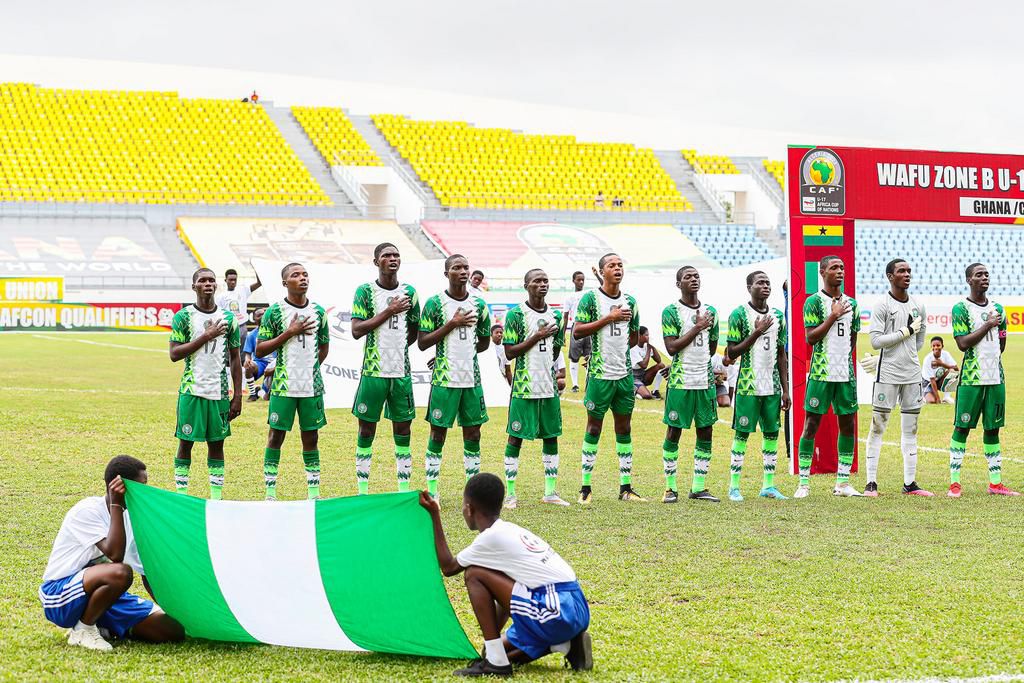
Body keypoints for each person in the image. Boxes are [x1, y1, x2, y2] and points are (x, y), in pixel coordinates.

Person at [419, 474, 592, 676]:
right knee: (494, 650)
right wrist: (492, 643)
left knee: (474, 573)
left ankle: (497, 663)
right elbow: (508, 589)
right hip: (575, 606)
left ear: (469, 508)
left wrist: (434, 515)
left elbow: (449, 567)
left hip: (555, 609)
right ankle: (567, 645)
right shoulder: (509, 529)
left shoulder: (490, 538)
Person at [39, 456, 185, 651]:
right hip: (60, 595)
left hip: (106, 598)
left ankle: (103, 625)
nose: (145, 492)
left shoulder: (132, 519)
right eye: (140, 487)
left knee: (172, 630)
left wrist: (175, 612)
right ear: (117, 486)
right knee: (121, 572)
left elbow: (147, 573)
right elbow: (115, 554)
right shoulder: (87, 511)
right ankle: (83, 630)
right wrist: (116, 504)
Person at [418, 254, 491, 504]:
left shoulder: (479, 304)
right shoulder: (435, 303)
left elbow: (484, 342)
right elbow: (422, 342)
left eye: (466, 267)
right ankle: (433, 492)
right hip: (444, 380)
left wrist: (463, 355)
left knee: (473, 435)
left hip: (471, 380)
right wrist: (453, 324)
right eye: (456, 268)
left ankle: (473, 494)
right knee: (437, 435)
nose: (463, 271)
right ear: (446, 273)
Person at [350, 243, 421, 494]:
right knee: (366, 429)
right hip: (373, 372)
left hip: (401, 373)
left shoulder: (410, 292)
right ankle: (363, 491)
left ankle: (403, 490)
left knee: (403, 429)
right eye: (386, 255)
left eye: (396, 255)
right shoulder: (365, 291)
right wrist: (389, 310)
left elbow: (414, 332)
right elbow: (356, 330)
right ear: (376, 262)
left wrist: (397, 349)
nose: (392, 259)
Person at [256, 262, 330, 500]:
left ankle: (314, 494)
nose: (302, 278)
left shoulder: (319, 312)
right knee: (276, 436)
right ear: (284, 282)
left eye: (305, 274)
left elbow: (324, 347)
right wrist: (289, 332)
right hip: (283, 387)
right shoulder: (275, 312)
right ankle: (270, 494)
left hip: (311, 387)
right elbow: (260, 349)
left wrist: (308, 370)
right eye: (296, 275)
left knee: (311, 437)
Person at [573, 253, 643, 503]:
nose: (617, 268)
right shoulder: (590, 299)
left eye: (620, 265)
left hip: (624, 375)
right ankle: (585, 488)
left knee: (624, 428)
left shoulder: (630, 301)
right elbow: (577, 331)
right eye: (612, 265)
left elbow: (634, 337)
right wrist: (608, 318)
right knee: (594, 427)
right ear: (602, 271)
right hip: (600, 375)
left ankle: (626, 488)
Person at [169, 268, 242, 499]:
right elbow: (174, 354)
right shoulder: (183, 317)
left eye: (211, 280)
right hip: (192, 390)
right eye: (202, 281)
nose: (208, 283)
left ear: (216, 286)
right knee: (185, 443)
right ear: (194, 287)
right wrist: (206, 335)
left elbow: (235, 358)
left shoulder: (229, 319)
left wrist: (238, 396)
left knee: (217, 445)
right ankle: (182, 495)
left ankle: (216, 497)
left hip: (219, 393)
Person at [501, 268, 570, 508]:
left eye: (545, 281)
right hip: (523, 387)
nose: (542, 285)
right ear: (526, 286)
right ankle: (510, 494)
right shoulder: (516, 315)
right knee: (515, 438)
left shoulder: (556, 315)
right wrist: (537, 336)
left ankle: (550, 492)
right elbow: (510, 352)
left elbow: (556, 349)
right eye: (537, 281)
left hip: (548, 387)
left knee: (551, 436)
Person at [948, 263, 1017, 497]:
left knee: (993, 429)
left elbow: (1002, 343)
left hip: (996, 377)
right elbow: (962, 343)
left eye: (987, 274)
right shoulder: (961, 309)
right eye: (979, 275)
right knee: (962, 427)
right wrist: (987, 325)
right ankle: (955, 483)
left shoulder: (999, 309)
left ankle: (995, 484)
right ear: (969, 280)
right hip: (971, 379)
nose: (984, 277)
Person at [864, 259, 931, 497]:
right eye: (901, 271)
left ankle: (910, 484)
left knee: (911, 428)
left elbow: (919, 341)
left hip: (912, 373)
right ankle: (871, 482)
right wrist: (906, 332)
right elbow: (875, 341)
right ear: (890, 276)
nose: (907, 274)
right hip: (888, 373)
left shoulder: (918, 305)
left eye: (909, 271)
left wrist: (907, 347)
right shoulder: (882, 304)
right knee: (878, 425)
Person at [795, 256, 861, 498]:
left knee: (848, 425)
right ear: (822, 272)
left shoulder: (852, 303)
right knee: (811, 425)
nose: (840, 271)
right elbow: (811, 338)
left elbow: (852, 340)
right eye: (834, 268)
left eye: (842, 267)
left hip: (845, 375)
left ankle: (842, 483)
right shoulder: (813, 302)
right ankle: (803, 484)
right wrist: (833, 316)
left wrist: (843, 361)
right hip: (821, 374)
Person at [724, 271, 790, 502]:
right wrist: (756, 332)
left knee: (771, 434)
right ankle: (734, 487)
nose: (765, 286)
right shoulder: (739, 315)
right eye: (760, 283)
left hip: (771, 387)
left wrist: (786, 389)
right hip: (747, 386)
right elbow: (732, 353)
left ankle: (768, 486)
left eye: (768, 283)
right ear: (749, 287)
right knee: (742, 435)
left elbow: (781, 355)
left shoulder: (778, 316)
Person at [660, 265, 720, 503]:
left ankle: (698, 487)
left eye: (696, 276)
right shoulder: (671, 312)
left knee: (705, 430)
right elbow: (671, 348)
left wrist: (703, 328)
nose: (694, 279)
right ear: (679, 284)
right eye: (688, 277)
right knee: (674, 431)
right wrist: (697, 327)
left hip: (704, 381)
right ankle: (670, 488)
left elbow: (712, 348)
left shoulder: (711, 311)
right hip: (680, 381)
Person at [242, 307, 276, 401]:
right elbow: (248, 353)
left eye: (263, 314)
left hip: (275, 362)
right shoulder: (252, 335)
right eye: (259, 315)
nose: (262, 316)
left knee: (267, 398)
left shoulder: (275, 330)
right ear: (254, 319)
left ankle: (260, 392)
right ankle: (253, 394)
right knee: (248, 366)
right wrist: (247, 360)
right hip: (260, 363)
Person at [562, 271, 588, 393]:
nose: (581, 282)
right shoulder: (569, 297)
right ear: (573, 281)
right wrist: (562, 335)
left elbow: (603, 285)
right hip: (576, 327)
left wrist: (597, 276)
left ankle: (588, 384)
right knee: (574, 357)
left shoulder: (588, 294)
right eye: (579, 280)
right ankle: (575, 384)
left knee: (589, 357)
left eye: (583, 280)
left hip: (589, 326)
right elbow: (565, 316)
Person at [629, 326, 666, 399]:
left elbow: (658, 360)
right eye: (646, 335)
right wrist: (649, 349)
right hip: (633, 376)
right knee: (647, 396)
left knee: (661, 365)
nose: (648, 337)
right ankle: (633, 390)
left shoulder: (646, 346)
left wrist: (652, 346)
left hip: (642, 374)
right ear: (639, 336)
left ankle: (655, 391)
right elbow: (644, 365)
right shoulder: (633, 348)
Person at [923, 337, 959, 404]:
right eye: (933, 346)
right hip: (928, 382)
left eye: (938, 345)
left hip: (939, 380)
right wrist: (938, 399)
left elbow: (956, 369)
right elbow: (932, 380)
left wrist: (942, 364)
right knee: (931, 401)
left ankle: (946, 397)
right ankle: (923, 396)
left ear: (942, 346)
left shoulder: (946, 354)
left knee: (952, 372)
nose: (936, 347)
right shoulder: (928, 359)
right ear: (931, 347)